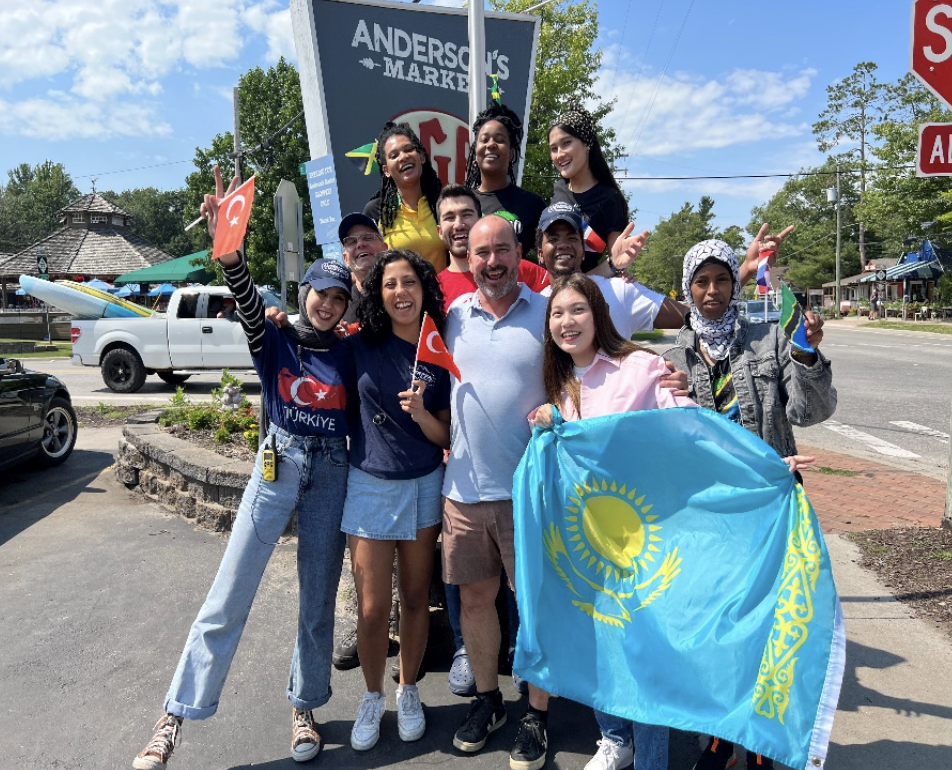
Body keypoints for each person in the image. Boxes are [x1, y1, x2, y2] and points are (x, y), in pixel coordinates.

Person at [133, 167, 356, 769]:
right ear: (304, 289)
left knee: (317, 600)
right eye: (321, 293)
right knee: (230, 591)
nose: (329, 305)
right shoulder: (276, 340)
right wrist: (228, 248)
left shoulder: (352, 348)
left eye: (340, 298)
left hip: (332, 475)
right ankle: (173, 716)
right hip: (279, 463)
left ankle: (305, 704)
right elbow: (252, 304)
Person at [662, 238, 837, 770]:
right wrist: (670, 403)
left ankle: (759, 739)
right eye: (701, 281)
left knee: (766, 626)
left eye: (720, 280)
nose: (711, 291)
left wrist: (805, 353)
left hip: (769, 506)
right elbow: (667, 446)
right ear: (688, 289)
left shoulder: (771, 341)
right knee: (716, 627)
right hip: (710, 514)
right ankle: (718, 735)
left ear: (734, 285)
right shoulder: (672, 358)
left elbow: (811, 414)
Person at [528, 273, 696, 770]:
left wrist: (764, 464)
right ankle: (614, 736)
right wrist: (546, 420)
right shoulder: (560, 384)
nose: (566, 322)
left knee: (642, 655)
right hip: (587, 541)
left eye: (577, 310)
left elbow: (687, 429)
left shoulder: (641, 366)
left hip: (641, 539)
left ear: (598, 314)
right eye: (557, 314)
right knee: (598, 638)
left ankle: (652, 760)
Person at [441, 213, 552, 770]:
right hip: (462, 489)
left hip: (528, 492)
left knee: (533, 604)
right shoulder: (453, 315)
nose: (491, 261)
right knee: (475, 599)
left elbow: (594, 362)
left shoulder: (547, 311)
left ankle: (536, 711)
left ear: (519, 250)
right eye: (480, 252)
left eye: (501, 249)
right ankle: (490, 702)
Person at [341, 248, 452, 751]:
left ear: (424, 288)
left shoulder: (439, 349)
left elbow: (443, 433)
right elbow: (309, 347)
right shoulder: (359, 343)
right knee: (369, 610)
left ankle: (409, 691)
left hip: (424, 481)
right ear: (377, 293)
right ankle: (371, 696)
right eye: (389, 284)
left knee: (414, 598)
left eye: (409, 282)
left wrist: (423, 414)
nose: (400, 292)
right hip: (369, 484)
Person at [436, 184, 549, 312]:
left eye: (466, 215)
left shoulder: (519, 268)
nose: (458, 225)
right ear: (439, 231)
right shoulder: (434, 289)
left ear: (480, 220)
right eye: (449, 218)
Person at [547, 102, 630, 273]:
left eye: (566, 143)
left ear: (587, 144)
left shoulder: (610, 199)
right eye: (554, 149)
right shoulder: (558, 191)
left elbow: (617, 263)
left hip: (587, 292)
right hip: (548, 289)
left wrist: (579, 285)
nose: (559, 154)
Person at [464, 102, 546, 257]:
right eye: (484, 139)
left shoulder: (532, 205)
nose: (491, 144)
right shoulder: (463, 202)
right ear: (475, 152)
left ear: (512, 153)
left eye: (500, 140)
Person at [364, 122, 446, 271]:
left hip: (444, 294)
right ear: (386, 170)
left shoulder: (442, 204)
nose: (403, 157)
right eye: (394, 155)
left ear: (421, 157)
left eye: (408, 149)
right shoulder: (376, 211)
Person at [338, 212, 388, 330]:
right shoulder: (338, 307)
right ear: (345, 259)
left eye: (368, 238)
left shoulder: (402, 297)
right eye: (352, 241)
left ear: (385, 249)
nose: (360, 244)